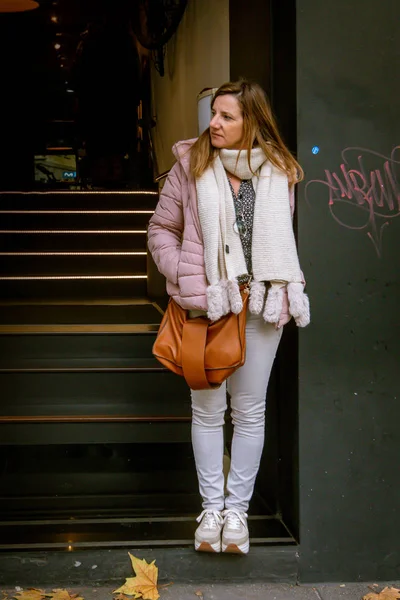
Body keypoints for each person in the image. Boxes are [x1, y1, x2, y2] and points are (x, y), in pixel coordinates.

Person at [148, 80, 310, 555]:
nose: (214, 124)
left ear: (252, 123)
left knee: (250, 410)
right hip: (209, 304)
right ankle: (211, 510)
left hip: (260, 304)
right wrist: (185, 272)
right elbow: (162, 228)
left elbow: (278, 243)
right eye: (213, 114)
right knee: (207, 409)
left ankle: (237, 513)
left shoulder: (279, 172)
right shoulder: (190, 164)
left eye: (226, 116)